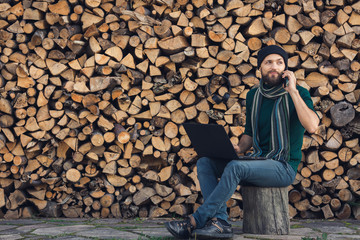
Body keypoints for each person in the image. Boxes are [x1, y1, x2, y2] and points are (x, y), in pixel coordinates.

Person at [165, 45, 320, 239]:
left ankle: (195, 220)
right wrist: (238, 147)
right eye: (268, 62)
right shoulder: (254, 96)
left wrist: (293, 92)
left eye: (280, 63)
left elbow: (313, 126)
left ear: (286, 68)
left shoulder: (299, 94)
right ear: (260, 68)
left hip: (283, 166)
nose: (274, 67)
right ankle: (220, 222)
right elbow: (249, 135)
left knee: (236, 167)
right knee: (205, 162)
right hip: (259, 161)